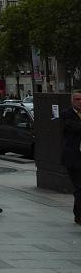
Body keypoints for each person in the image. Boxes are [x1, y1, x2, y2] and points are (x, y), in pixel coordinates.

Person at [61, 91, 81, 225]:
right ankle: (79, 215)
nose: (79, 101)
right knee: (79, 187)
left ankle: (77, 213)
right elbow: (74, 128)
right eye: (77, 99)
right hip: (73, 157)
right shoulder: (66, 114)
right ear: (72, 101)